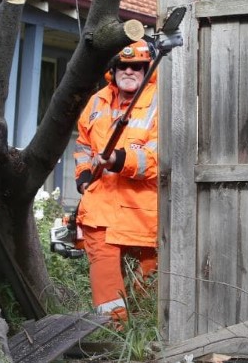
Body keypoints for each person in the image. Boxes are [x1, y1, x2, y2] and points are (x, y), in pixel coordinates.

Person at [73, 39, 159, 326]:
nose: (130, 71)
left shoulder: (161, 101)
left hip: (141, 210)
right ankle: (114, 333)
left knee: (149, 279)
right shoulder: (98, 100)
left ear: (147, 68)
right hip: (99, 207)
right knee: (106, 281)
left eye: (137, 66)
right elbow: (83, 145)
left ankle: (144, 332)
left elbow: (161, 156)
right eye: (124, 65)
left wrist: (121, 160)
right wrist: (83, 175)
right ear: (114, 68)